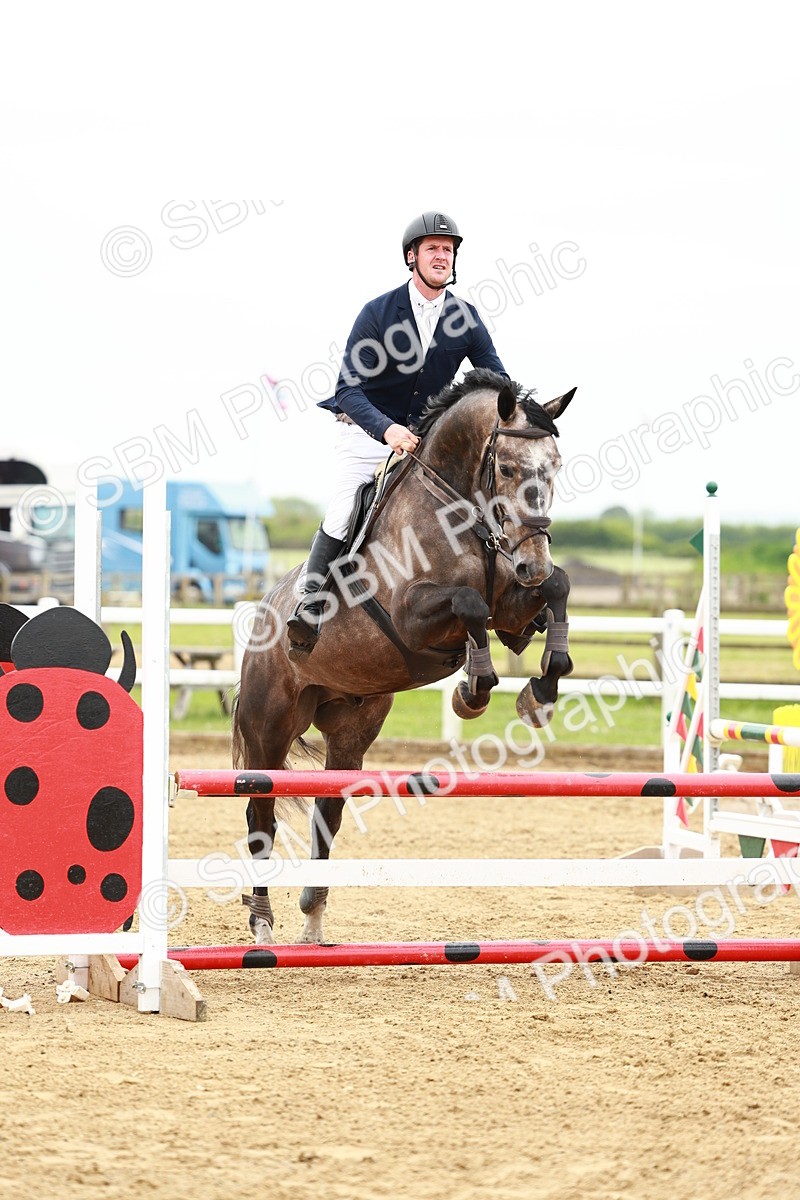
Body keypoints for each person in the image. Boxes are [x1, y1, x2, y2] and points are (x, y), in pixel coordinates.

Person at [287, 210, 508, 654]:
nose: (442, 256)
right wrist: (386, 430)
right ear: (412, 257)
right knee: (345, 506)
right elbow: (347, 390)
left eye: (448, 250)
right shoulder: (378, 313)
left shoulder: (464, 317)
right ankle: (310, 600)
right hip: (367, 432)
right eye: (433, 249)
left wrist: (522, 413)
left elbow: (496, 381)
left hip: (423, 443)